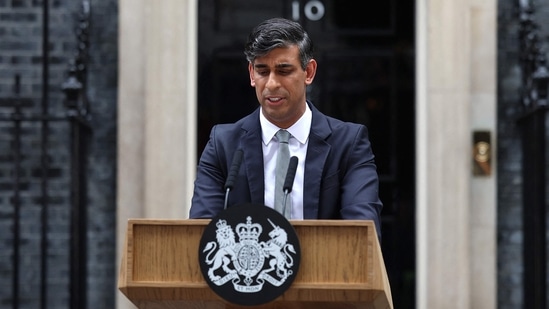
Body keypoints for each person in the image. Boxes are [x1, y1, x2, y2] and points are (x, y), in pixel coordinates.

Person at [189, 17, 383, 238]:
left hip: (325, 271)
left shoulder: (348, 143)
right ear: (252, 74)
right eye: (262, 71)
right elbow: (201, 234)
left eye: (283, 71)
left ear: (308, 72)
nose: (271, 83)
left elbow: (363, 234)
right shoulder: (224, 145)